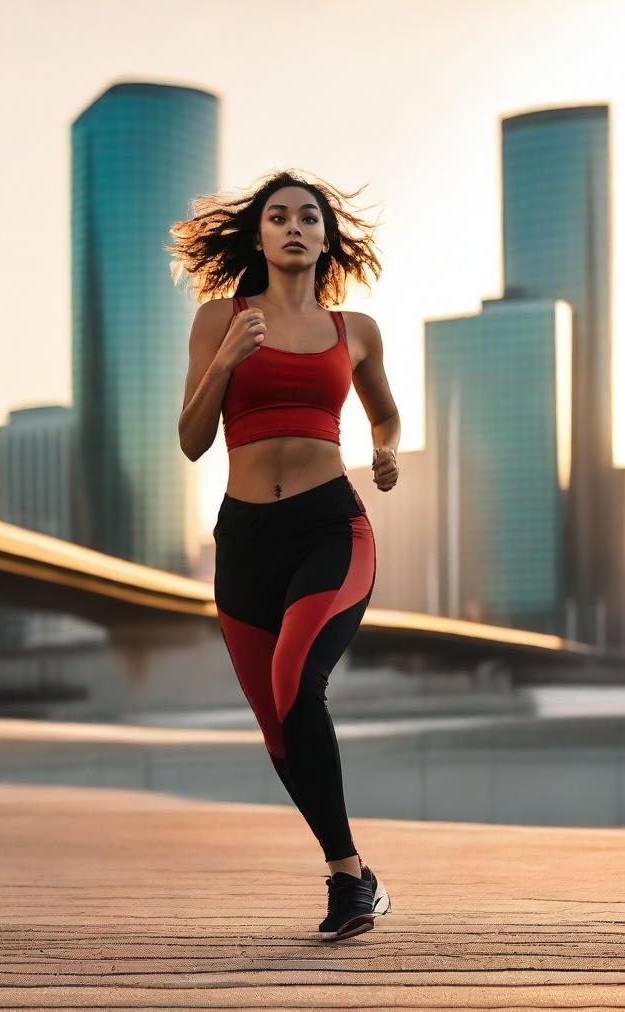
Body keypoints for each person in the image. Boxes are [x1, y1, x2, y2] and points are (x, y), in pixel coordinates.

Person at [169, 169, 401, 941]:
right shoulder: (220, 319)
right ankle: (358, 872)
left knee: (298, 684)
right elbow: (192, 439)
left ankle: (343, 884)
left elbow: (387, 415)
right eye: (278, 216)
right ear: (260, 235)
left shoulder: (354, 330)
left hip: (330, 530)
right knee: (277, 725)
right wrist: (227, 359)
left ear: (326, 238)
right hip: (243, 542)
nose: (294, 226)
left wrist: (388, 451)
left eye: (309, 217)